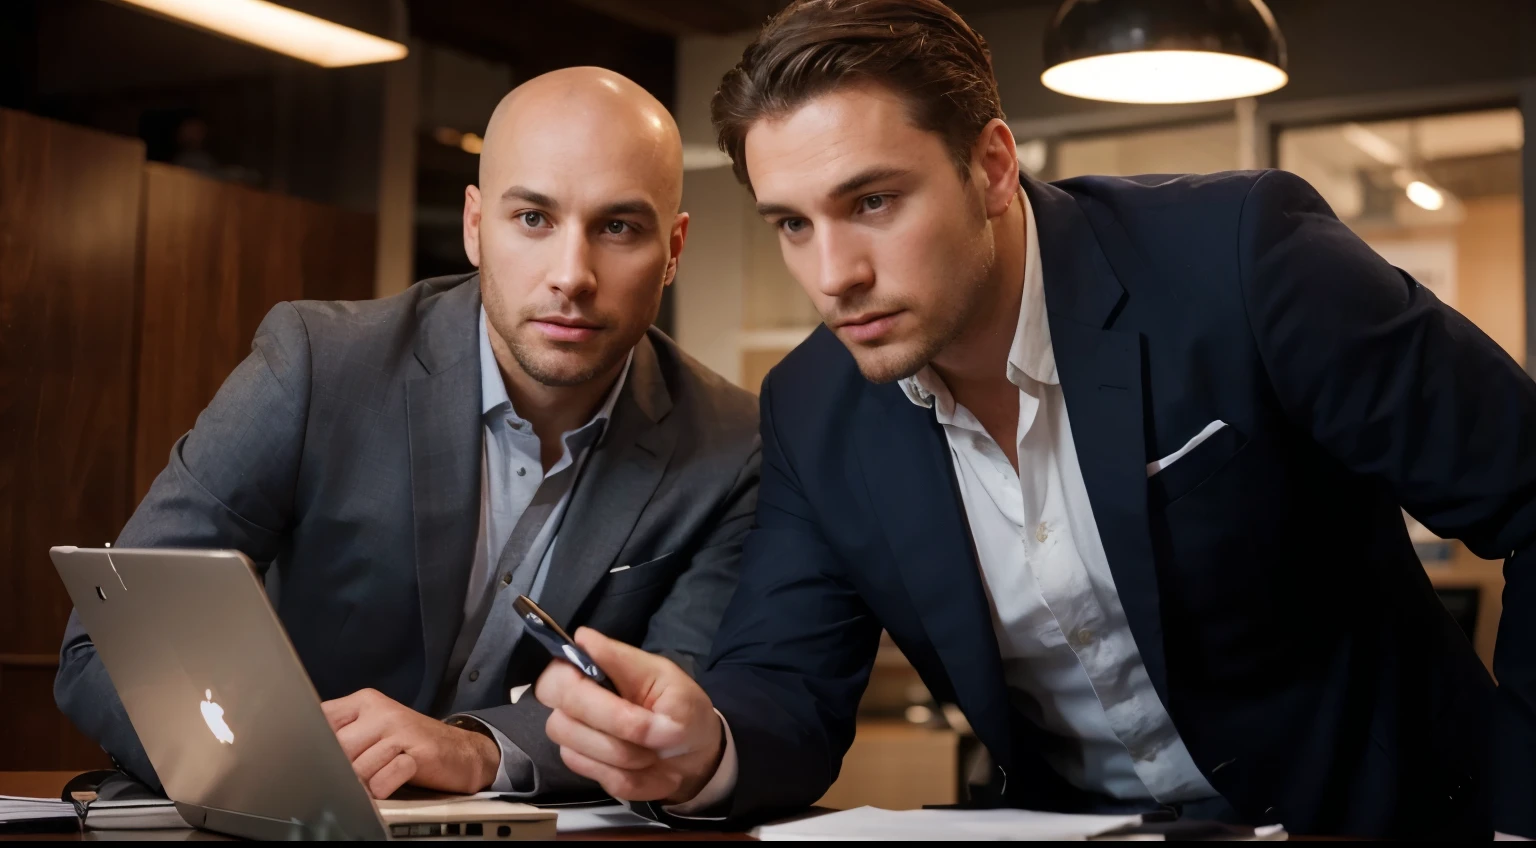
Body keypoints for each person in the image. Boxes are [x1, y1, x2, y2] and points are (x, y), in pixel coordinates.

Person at [530, 0, 1536, 839]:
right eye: (792, 223)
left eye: (873, 201)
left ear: (994, 166)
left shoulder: (1243, 261)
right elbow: (786, 678)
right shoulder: (814, 405)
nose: (832, 275)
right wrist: (704, 742)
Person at [55, 67, 760, 803]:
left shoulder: (731, 445)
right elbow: (112, 637)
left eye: (618, 227)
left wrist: (479, 752)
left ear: (674, 249)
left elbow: (677, 716)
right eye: (532, 219)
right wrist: (282, 773)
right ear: (473, 225)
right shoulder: (319, 366)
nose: (571, 275)